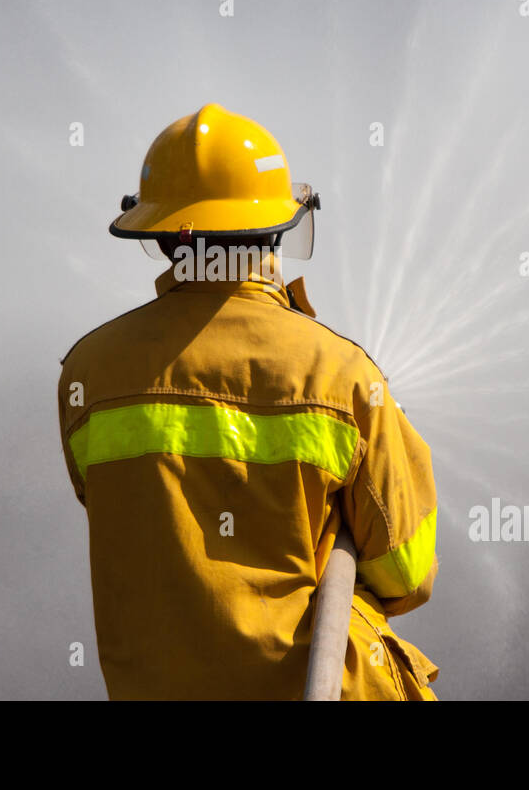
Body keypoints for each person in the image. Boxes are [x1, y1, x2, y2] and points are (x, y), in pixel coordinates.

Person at [56, 102, 440, 699]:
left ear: (161, 241)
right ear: (273, 232)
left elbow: (135, 520)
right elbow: (407, 576)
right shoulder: (341, 375)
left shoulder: (89, 373)